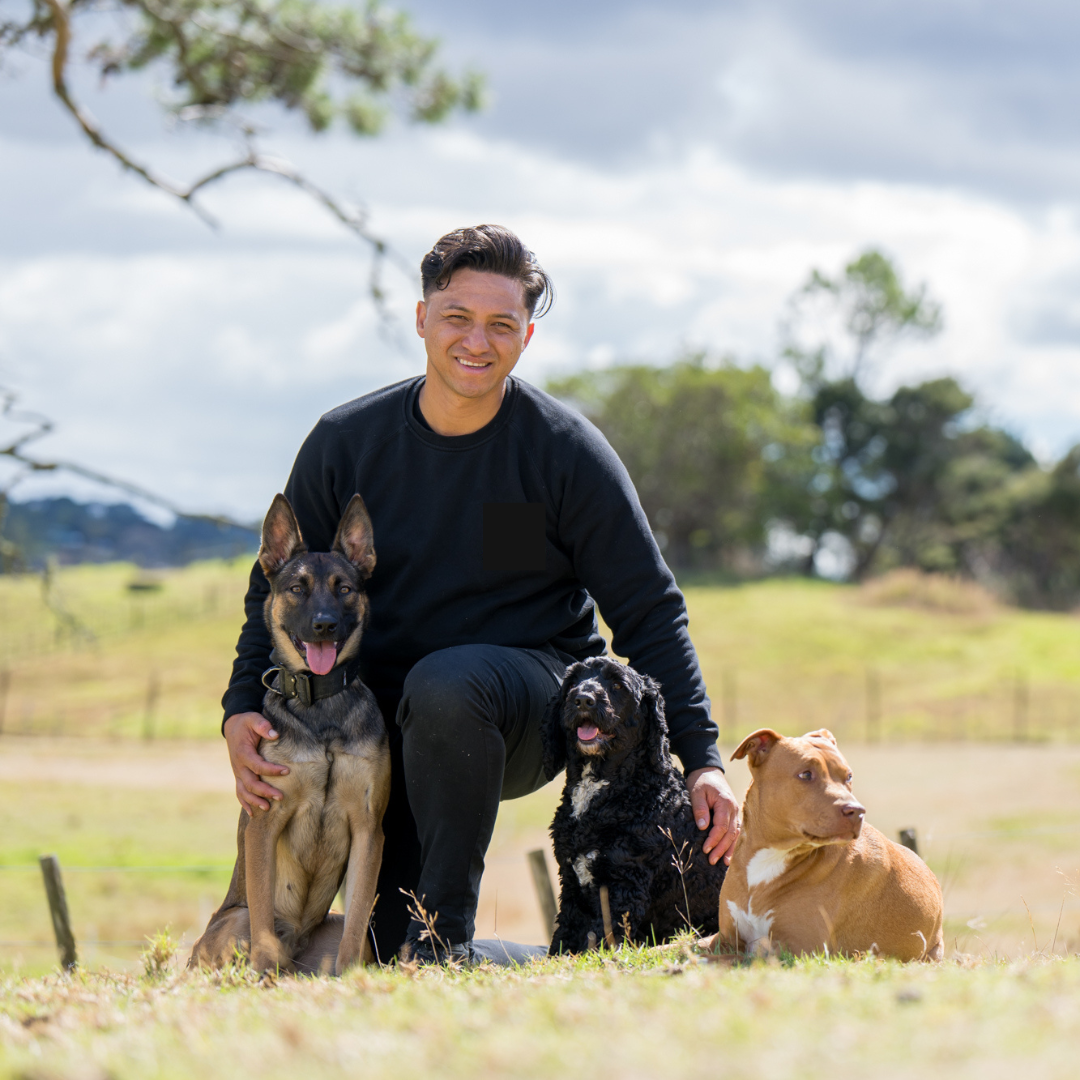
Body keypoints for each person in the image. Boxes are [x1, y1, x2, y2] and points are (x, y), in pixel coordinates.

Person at [221, 224, 740, 963]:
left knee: (449, 685)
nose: (477, 341)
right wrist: (241, 705)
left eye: (501, 324)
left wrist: (702, 756)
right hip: (381, 725)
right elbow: (273, 589)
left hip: (527, 706)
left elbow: (649, 611)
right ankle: (482, 957)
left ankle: (445, 945)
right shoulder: (346, 443)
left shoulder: (565, 453)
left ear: (526, 335)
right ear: (421, 318)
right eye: (457, 317)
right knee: (379, 951)